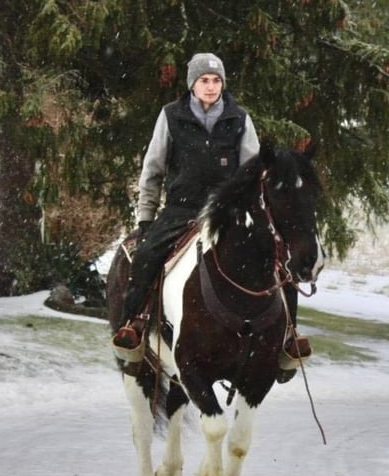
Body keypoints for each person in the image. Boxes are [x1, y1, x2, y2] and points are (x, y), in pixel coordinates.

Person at [112, 53, 310, 372]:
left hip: (229, 212)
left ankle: (289, 335)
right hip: (181, 209)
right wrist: (146, 218)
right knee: (147, 253)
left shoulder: (240, 118)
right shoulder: (171, 116)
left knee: (276, 257)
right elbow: (152, 170)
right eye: (204, 80)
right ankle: (134, 323)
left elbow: (253, 170)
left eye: (216, 80)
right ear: (193, 84)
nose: (211, 86)